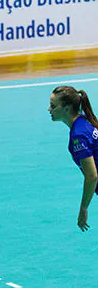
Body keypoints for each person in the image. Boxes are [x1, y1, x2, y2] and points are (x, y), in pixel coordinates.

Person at [48, 85, 98, 232]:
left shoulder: (79, 136)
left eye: (53, 106)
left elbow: (92, 176)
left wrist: (83, 208)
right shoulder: (84, 121)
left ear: (67, 108)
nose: (49, 109)